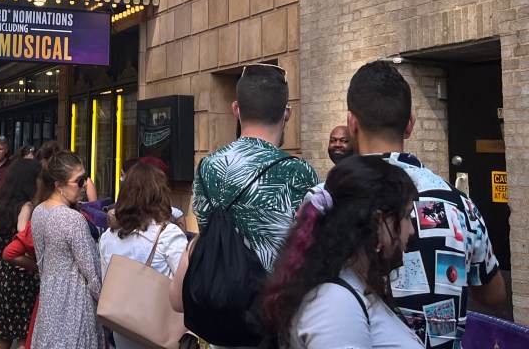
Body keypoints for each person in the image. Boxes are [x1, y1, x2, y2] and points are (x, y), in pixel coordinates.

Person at [346, 60, 506, 344]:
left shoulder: (322, 202)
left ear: (351, 124)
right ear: (410, 125)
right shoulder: (460, 205)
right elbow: (494, 295)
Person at [172, 63, 318, 319]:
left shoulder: (208, 167)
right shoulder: (300, 172)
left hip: (219, 313)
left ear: (236, 109)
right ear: (287, 112)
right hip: (274, 318)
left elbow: (206, 233)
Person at [263, 156, 422, 348]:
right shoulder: (335, 302)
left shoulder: (351, 284)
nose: (411, 230)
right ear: (378, 221)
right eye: (406, 216)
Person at [99, 163, 189, 349]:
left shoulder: (108, 237)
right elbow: (186, 284)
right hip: (160, 330)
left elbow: (105, 281)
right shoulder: (168, 234)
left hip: (123, 328)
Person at [30, 150, 105, 349]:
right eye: (79, 181)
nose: (85, 185)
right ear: (59, 185)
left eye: (85, 178)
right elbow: (92, 273)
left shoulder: (38, 211)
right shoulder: (72, 219)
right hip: (75, 305)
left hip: (49, 304)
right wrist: (107, 305)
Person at [0, 158, 41, 349]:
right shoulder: (26, 206)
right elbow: (22, 232)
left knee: (2, 337)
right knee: (24, 335)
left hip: (3, 274)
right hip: (23, 276)